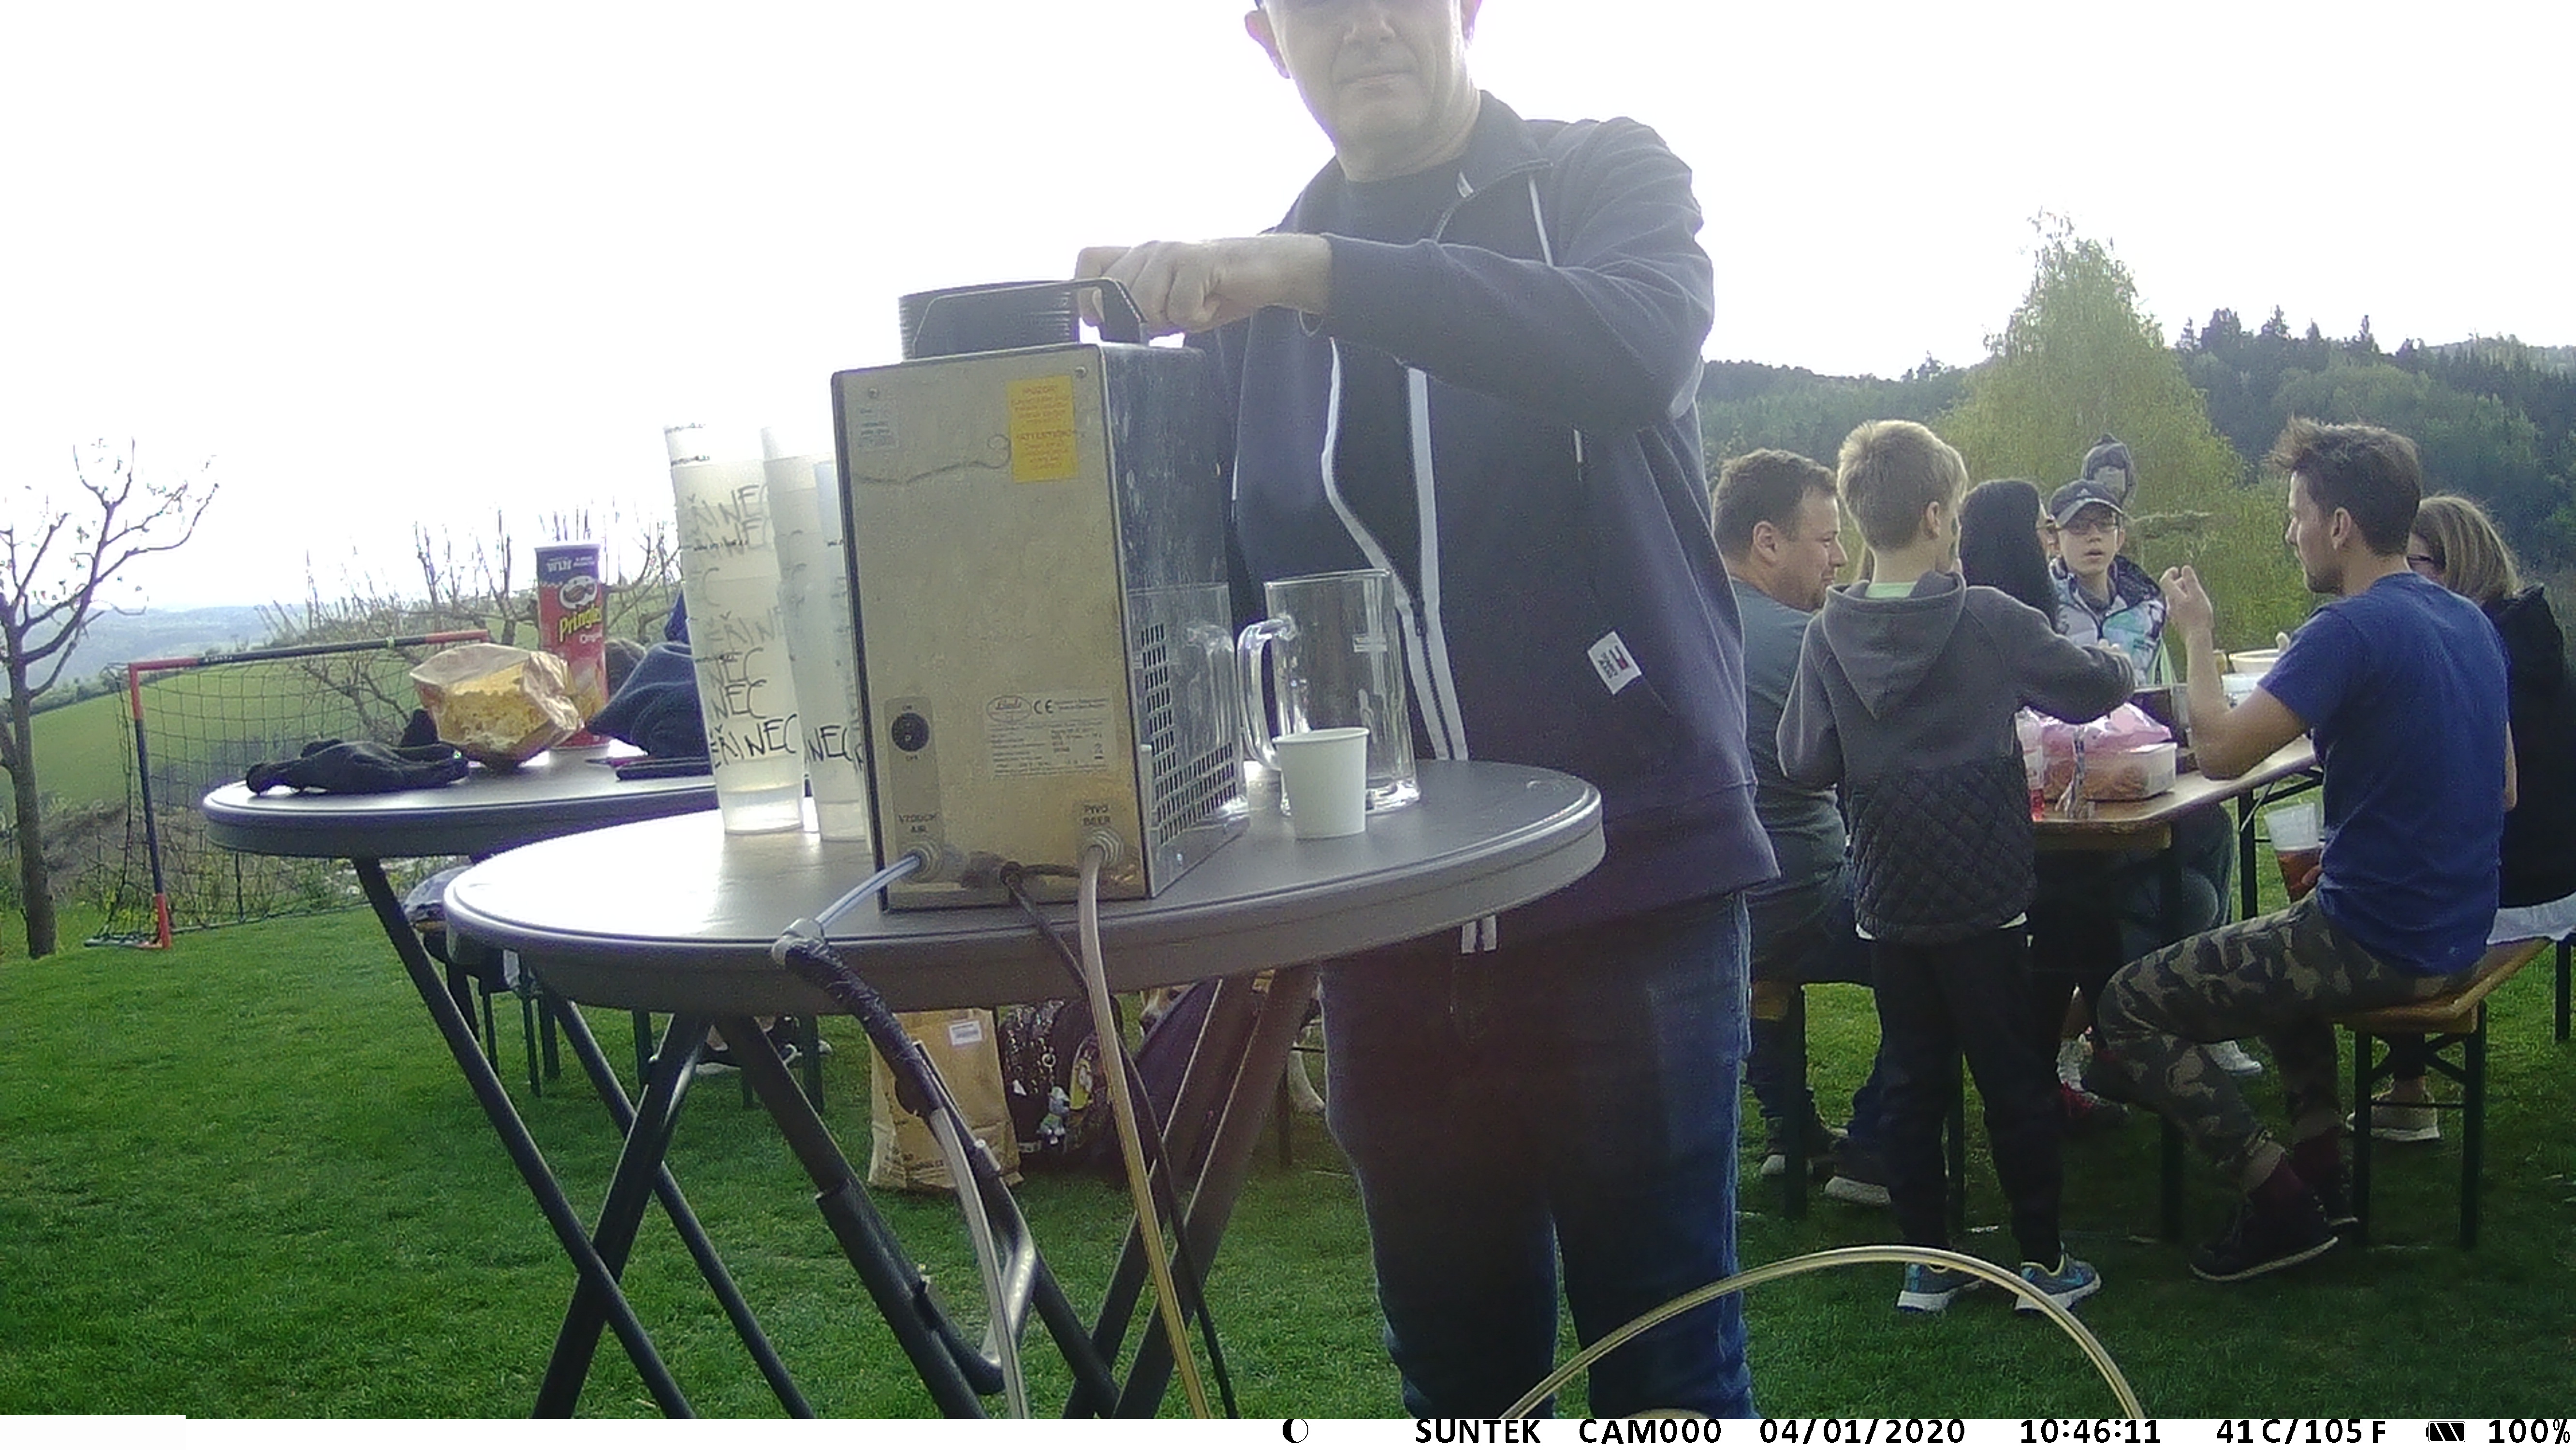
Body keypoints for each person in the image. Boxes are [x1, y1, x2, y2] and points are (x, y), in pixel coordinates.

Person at [1080, 0, 1776, 1416]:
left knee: (1669, 1376)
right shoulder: (1244, 317)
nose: (1365, 24)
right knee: (1461, 1389)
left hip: (1630, 884)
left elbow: (1636, 350)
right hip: (1385, 937)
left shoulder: (1597, 175)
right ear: (1267, 37)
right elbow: (1200, 614)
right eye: (1316, 4)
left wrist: (1312, 272)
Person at [2094, 420, 2512, 1284]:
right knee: (2284, 940)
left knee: (2127, 1003)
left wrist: (2196, 634)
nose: (2291, 533)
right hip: (2458, 930)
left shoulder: (2346, 631)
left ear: (2340, 526)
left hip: (2380, 939)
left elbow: (2218, 753)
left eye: (2297, 515)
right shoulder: (2469, 621)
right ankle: (2322, 1169)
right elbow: (2503, 786)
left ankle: (2276, 1197)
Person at [1780, 420, 2133, 1316]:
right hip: (1985, 894)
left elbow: (1804, 761)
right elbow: (2089, 688)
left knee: (1911, 1078)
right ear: (1938, 516)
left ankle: (1927, 1265)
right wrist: (2121, 657)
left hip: (1889, 895)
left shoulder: (1825, 635)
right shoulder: (1987, 618)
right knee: (2011, 1074)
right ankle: (2041, 1262)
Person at [2364, 494, 2576, 1140]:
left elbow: (2463, 791)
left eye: (2414, 564)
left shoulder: (2467, 651)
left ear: (2456, 565)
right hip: (2562, 872)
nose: (2399, 577)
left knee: (2378, 900)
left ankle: (2410, 1095)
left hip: (2515, 884)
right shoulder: (2530, 634)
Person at [1712, 449, 1891, 1207]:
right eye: (1826, 539)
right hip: (1800, 896)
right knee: (1945, 945)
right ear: (1768, 541)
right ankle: (1877, 1149)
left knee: (1761, 943)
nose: (1840, 557)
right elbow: (1881, 769)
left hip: (1709, 907)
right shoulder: (1804, 642)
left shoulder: (1682, 625)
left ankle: (1791, 1132)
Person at [2043, 476, 2256, 1081]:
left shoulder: (2146, 602)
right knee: (2191, 898)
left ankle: (2199, 1016)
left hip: (2139, 763)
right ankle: (2122, 1027)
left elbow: (2158, 684)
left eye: (2104, 525)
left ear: (2121, 534)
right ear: (2055, 537)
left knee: (2213, 828)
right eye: (2078, 527)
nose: (2093, 537)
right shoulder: (2039, 603)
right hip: (2067, 781)